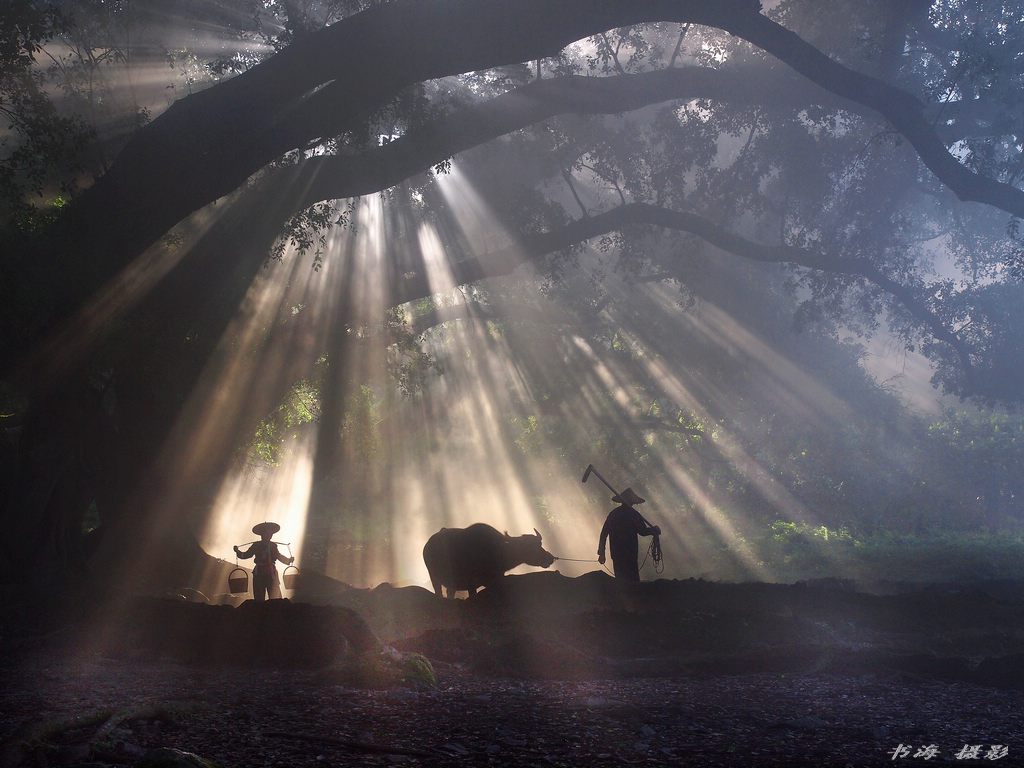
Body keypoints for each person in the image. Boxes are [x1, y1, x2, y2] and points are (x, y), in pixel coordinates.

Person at [597, 488, 660, 582]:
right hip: (630, 553)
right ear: (633, 502)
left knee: (620, 580)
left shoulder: (614, 514)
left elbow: (604, 534)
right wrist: (654, 530)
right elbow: (643, 531)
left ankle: (622, 595)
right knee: (633, 580)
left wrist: (602, 552)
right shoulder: (634, 514)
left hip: (617, 553)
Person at [234, 521, 294, 601]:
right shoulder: (256, 545)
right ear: (262, 535)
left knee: (275, 599)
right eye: (267, 533)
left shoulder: (272, 546)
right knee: (260, 599)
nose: (269, 535)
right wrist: (238, 552)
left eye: (270, 533)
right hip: (260, 574)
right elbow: (246, 555)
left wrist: (288, 560)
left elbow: (278, 556)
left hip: (270, 574)